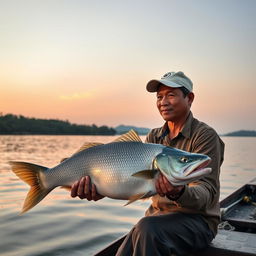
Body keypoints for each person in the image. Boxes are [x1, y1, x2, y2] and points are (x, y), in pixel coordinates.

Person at [71, 71, 225, 256]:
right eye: (159, 97)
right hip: (156, 219)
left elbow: (206, 193)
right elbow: (134, 184)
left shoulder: (205, 136)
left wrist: (179, 192)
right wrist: (100, 190)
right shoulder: (154, 137)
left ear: (189, 98)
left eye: (171, 95)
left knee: (147, 228)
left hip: (197, 223)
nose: (163, 102)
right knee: (133, 240)